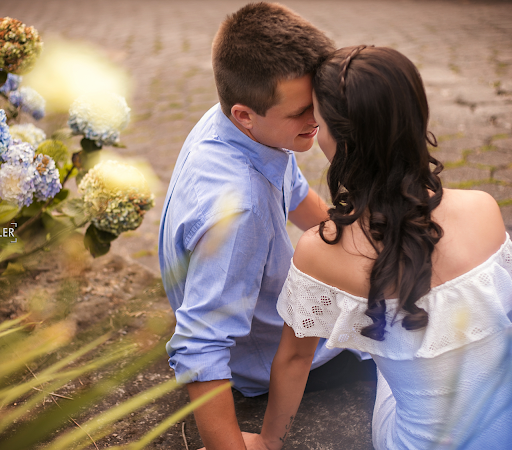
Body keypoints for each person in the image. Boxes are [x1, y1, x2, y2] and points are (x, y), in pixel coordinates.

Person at [247, 46, 512, 449]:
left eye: (318, 116)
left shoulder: (319, 251)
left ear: (338, 138)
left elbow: (296, 359)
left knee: (381, 349)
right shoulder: (483, 208)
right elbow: (498, 316)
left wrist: (268, 441)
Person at [158, 4, 375, 449]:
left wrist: (356, 245)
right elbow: (199, 345)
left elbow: (297, 196)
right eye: (301, 112)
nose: (316, 120)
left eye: (317, 103)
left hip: (272, 325)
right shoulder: (240, 212)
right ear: (245, 114)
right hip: (278, 357)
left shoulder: (243, 124)